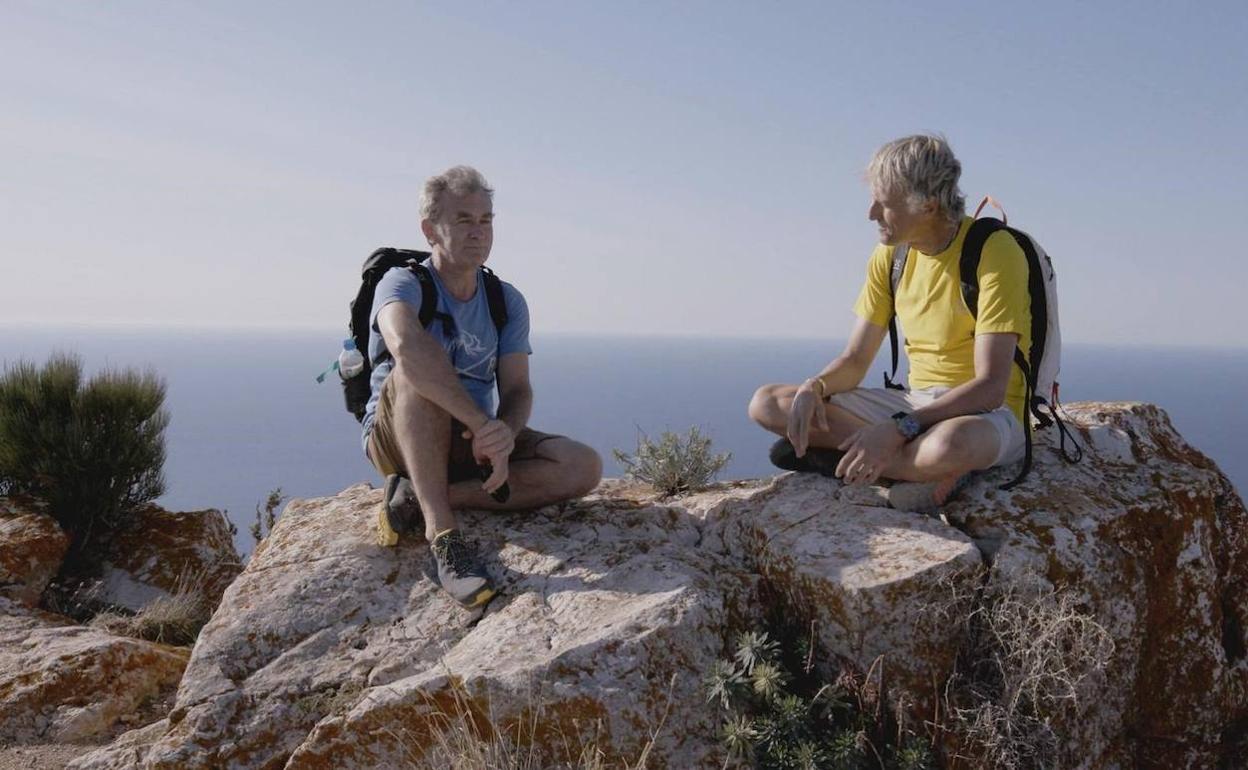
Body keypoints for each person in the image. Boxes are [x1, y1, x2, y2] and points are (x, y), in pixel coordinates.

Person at [748, 135, 1030, 512]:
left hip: (987, 416)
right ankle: (907, 468)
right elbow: (855, 360)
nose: (871, 214)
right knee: (769, 403)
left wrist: (899, 428)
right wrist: (815, 387)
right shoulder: (892, 256)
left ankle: (859, 459)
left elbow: (990, 388)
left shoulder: (994, 251)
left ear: (927, 205)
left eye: (883, 203)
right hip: (916, 401)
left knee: (950, 445)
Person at [362, 165, 602, 607]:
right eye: (463, 220)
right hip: (400, 435)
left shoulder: (504, 300)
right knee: (421, 373)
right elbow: (406, 346)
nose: (478, 232)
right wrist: (481, 423)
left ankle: (422, 496)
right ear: (430, 230)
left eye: (485, 220)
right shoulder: (403, 283)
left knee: (582, 465)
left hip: (472, 441)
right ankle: (443, 535)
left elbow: (518, 389)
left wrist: (503, 433)